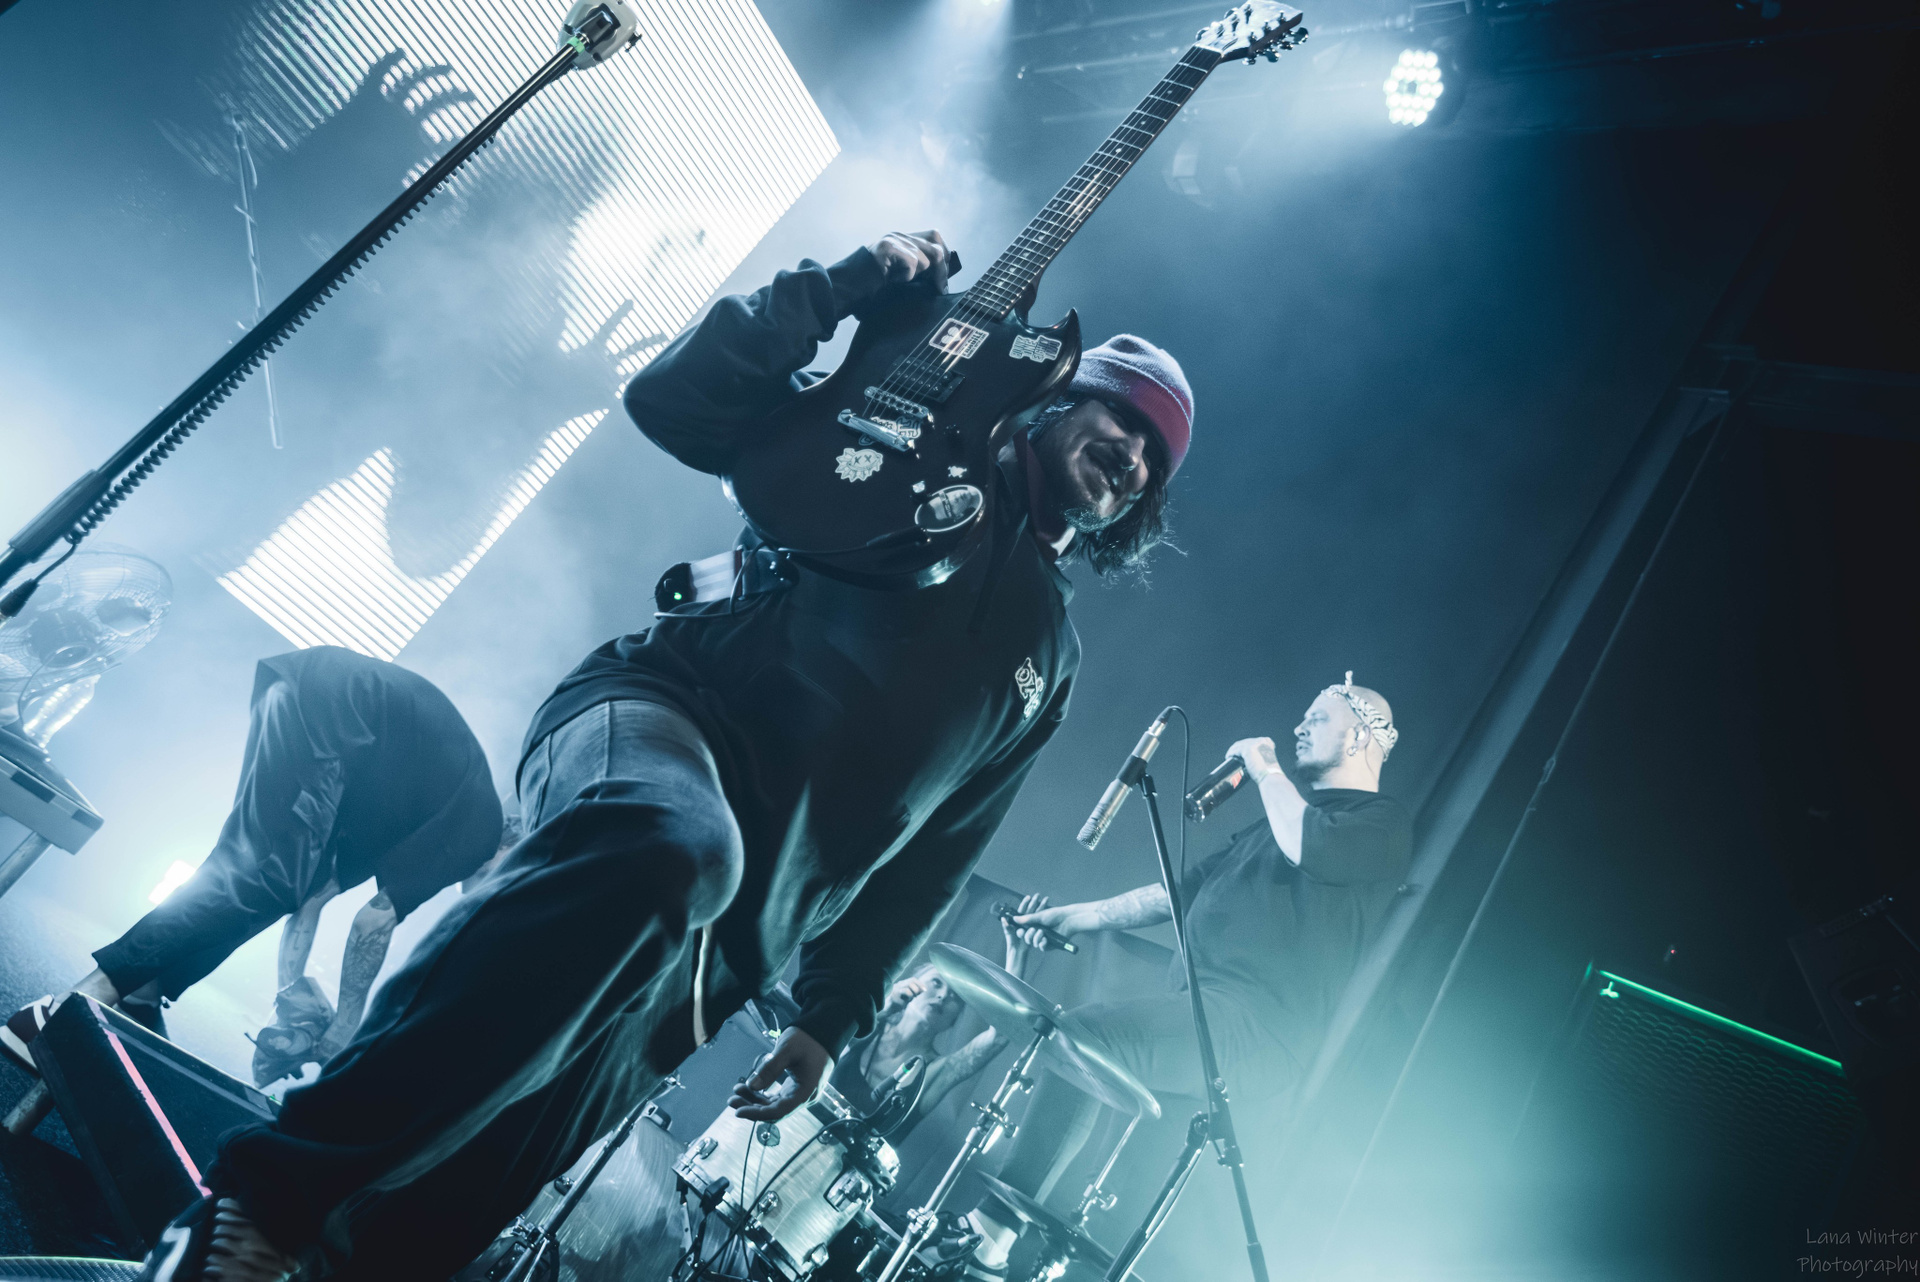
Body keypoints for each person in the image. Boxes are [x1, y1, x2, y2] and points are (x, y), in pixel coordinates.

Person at [138, 230, 1195, 1282]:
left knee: (458, 1197)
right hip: (661, 719)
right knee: (671, 844)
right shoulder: (911, 450)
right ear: (1054, 397)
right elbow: (679, 401)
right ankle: (259, 1198)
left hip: (735, 936)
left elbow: (937, 853)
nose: (1135, 455)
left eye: (1156, 458)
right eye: (1125, 418)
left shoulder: (1052, 658)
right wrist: (841, 287)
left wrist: (831, 1016)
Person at [998, 674, 1413, 1209]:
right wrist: (1075, 917)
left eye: (1316, 718)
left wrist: (1266, 771)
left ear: (1358, 737)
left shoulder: (1379, 822)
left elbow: (1310, 847)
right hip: (1203, 1011)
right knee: (1126, 1183)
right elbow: (1176, 894)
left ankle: (994, 1227)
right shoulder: (1274, 825)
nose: (1298, 728)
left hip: (1257, 1025)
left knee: (1085, 1038)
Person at [2, 647, 502, 1090]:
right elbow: (374, 921)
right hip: (331, 713)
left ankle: (143, 989)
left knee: (278, 882)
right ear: (512, 851)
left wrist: (291, 993)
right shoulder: (480, 833)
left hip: (313, 702)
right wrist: (344, 1031)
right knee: (264, 874)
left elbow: (309, 901)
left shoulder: (416, 814)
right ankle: (61, 1011)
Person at [830, 893, 1049, 1139]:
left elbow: (999, 1036)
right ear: (910, 983)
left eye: (956, 997)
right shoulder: (868, 1028)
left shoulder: (935, 1071)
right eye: (936, 982)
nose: (944, 995)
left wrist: (1017, 950)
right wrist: (885, 1007)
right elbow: (829, 1035)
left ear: (955, 1019)